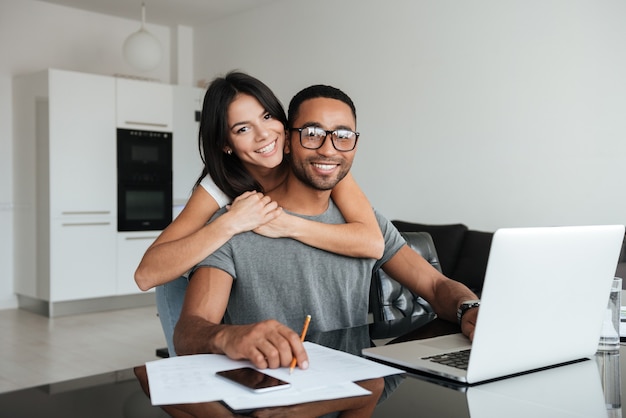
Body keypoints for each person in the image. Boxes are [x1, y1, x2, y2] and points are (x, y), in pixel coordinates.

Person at [173, 84, 480, 416]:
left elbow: (435, 286)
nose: (328, 150)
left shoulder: (364, 223)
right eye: (312, 133)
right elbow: (191, 329)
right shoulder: (237, 222)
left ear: (355, 144)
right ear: (287, 141)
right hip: (272, 402)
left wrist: (469, 309)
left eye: (343, 136)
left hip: (355, 397)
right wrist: (227, 337)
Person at [133, 72, 385, 355]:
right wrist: (230, 223)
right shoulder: (216, 187)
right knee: (191, 364)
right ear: (225, 144)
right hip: (183, 278)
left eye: (267, 117)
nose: (264, 135)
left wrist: (287, 224)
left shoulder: (313, 160)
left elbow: (372, 242)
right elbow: (146, 275)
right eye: (243, 129)